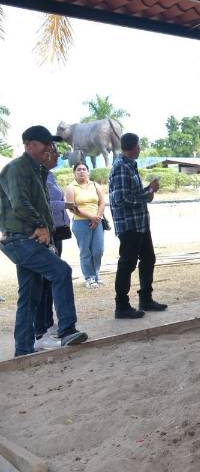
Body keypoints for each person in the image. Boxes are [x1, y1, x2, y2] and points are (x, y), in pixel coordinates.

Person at [0, 125, 88, 356]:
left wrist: (45, 229)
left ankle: (23, 349)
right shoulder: (17, 168)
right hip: (20, 238)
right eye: (45, 144)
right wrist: (40, 225)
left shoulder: (37, 171)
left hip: (26, 238)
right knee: (60, 271)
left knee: (29, 294)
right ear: (29, 144)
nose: (50, 148)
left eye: (51, 145)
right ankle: (67, 330)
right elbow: (20, 203)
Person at [109, 132, 165, 319]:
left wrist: (147, 191)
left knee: (148, 258)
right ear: (134, 147)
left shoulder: (129, 166)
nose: (140, 149)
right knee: (127, 263)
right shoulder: (121, 168)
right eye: (139, 145)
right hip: (129, 225)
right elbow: (121, 198)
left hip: (139, 223)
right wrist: (146, 193)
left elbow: (131, 194)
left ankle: (145, 299)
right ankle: (121, 305)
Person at [34, 143, 72, 350]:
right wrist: (65, 205)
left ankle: (48, 324)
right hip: (44, 232)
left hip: (55, 230)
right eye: (55, 152)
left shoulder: (50, 175)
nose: (58, 156)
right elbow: (44, 204)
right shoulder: (37, 176)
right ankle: (41, 329)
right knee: (44, 280)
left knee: (49, 281)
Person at [66, 162, 106, 289]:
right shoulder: (71, 188)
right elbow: (72, 208)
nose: (82, 171)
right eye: (79, 170)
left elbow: (102, 202)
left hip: (97, 221)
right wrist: (91, 217)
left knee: (98, 250)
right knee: (85, 251)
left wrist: (97, 217)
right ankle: (89, 277)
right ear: (74, 172)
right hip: (81, 222)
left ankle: (96, 273)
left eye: (84, 169)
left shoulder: (95, 185)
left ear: (88, 171)